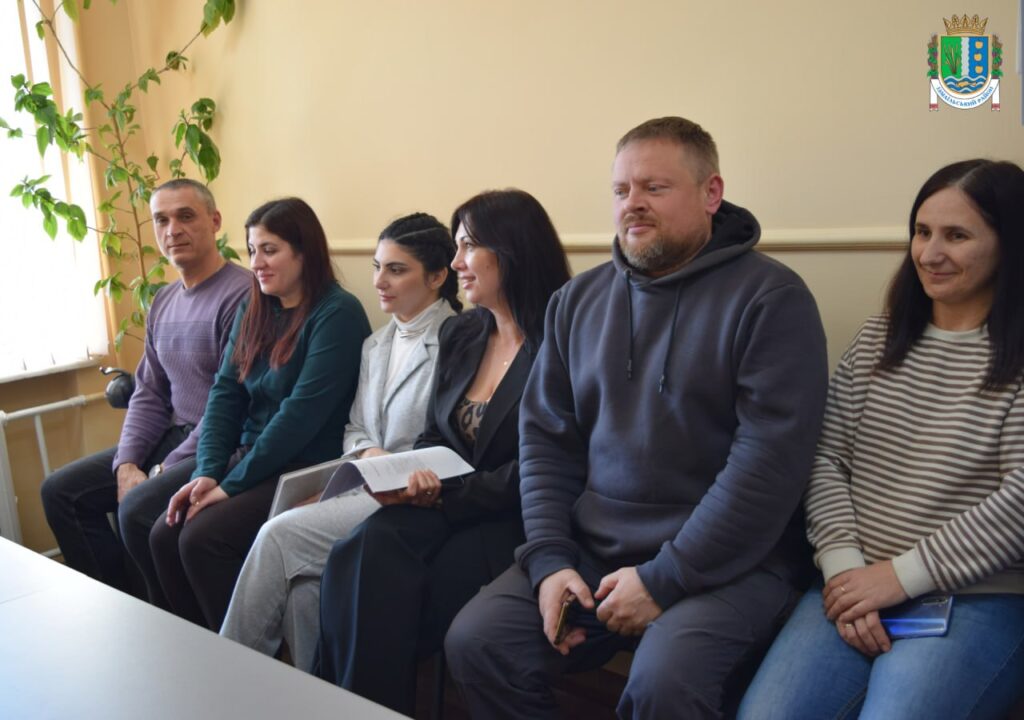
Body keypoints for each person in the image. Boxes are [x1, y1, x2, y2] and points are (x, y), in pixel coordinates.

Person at [444, 117, 830, 719]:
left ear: (711, 193)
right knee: (479, 641)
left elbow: (767, 466)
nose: (633, 204)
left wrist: (664, 579)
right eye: (622, 190)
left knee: (664, 683)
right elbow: (545, 443)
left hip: (729, 564)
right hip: (593, 551)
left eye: (655, 187)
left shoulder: (772, 299)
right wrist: (550, 562)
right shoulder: (577, 301)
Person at [737, 159, 1024, 720]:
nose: (930, 253)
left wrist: (898, 578)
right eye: (922, 232)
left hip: (977, 598)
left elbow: (1018, 502)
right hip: (853, 579)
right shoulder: (877, 340)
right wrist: (847, 572)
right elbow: (825, 459)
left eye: (957, 236)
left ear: (1008, 245)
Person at [314, 189, 572, 715]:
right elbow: (435, 433)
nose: (455, 263)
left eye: (469, 246)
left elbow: (549, 464)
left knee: (398, 590)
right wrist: (415, 477)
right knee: (353, 554)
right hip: (447, 501)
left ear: (513, 250)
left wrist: (446, 496)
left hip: (513, 517)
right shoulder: (463, 332)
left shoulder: (561, 341)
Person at [219, 212, 460, 670]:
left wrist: (388, 469)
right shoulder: (376, 344)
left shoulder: (458, 342)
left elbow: (451, 441)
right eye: (377, 267)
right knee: (302, 591)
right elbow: (354, 428)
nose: (379, 282)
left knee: (276, 536)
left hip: (414, 498)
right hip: (368, 480)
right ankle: (314, 698)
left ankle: (228, 676)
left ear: (437, 277)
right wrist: (374, 457)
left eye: (396, 270)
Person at [146, 197, 371, 630]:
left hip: (306, 464)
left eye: (269, 250)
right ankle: (198, 646)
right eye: (251, 250)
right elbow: (224, 394)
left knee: (201, 538)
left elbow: (298, 418)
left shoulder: (338, 313)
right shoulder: (255, 307)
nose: (256, 263)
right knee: (162, 533)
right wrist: (209, 472)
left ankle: (243, 655)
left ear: (303, 252)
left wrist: (230, 486)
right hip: (251, 455)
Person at [40, 179, 250, 598]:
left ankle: (165, 616)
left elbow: (232, 405)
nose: (173, 230)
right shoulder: (163, 301)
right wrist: (127, 463)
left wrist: (161, 470)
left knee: (136, 508)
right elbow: (149, 393)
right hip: (173, 435)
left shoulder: (242, 295)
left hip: (220, 443)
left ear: (214, 221)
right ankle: (122, 603)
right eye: (162, 220)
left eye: (185, 216)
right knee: (61, 492)